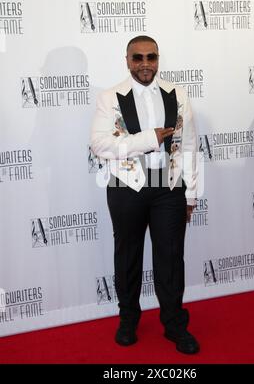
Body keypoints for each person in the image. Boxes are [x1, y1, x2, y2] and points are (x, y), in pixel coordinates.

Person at [91, 35, 199, 354]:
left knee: (170, 257)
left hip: (168, 187)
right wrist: (146, 139)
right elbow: (98, 143)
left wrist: (190, 194)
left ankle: (175, 324)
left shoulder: (177, 93)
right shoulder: (110, 97)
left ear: (158, 59)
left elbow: (190, 145)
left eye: (151, 57)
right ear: (127, 60)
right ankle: (128, 320)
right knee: (128, 256)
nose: (144, 64)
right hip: (126, 186)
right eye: (137, 58)